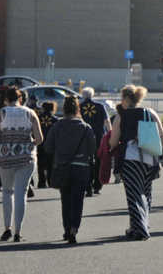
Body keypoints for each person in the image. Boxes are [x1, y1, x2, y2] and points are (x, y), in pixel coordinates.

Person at [108, 84, 163, 240]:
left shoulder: (121, 116)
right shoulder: (149, 112)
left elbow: (114, 140)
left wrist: (110, 147)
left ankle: (140, 230)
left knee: (134, 194)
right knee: (146, 192)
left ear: (125, 98)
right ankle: (140, 224)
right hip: (150, 158)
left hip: (130, 158)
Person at [0, 85, 43, 242]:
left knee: (7, 192)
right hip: (26, 157)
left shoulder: (0, 113)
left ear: (5, 99)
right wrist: (29, 142)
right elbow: (40, 138)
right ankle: (18, 231)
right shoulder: (30, 113)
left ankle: (6, 229)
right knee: (21, 193)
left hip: (5, 157)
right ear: (20, 99)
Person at [44, 95, 95, 244]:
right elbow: (92, 149)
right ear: (78, 109)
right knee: (78, 200)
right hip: (81, 168)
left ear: (64, 109)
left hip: (62, 167)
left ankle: (66, 229)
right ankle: (74, 228)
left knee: (65, 200)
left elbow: (48, 147)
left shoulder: (57, 126)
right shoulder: (86, 127)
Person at [79, 87, 109, 196]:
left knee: (85, 162)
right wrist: (109, 134)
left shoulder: (79, 107)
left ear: (83, 95)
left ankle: (87, 186)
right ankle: (97, 186)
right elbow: (107, 122)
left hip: (83, 139)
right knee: (98, 162)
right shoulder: (100, 106)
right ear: (92, 95)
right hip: (99, 137)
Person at [35, 101, 58, 188]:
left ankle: (41, 182)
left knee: (40, 164)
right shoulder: (55, 120)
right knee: (50, 164)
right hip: (52, 145)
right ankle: (50, 181)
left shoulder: (38, 118)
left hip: (40, 144)